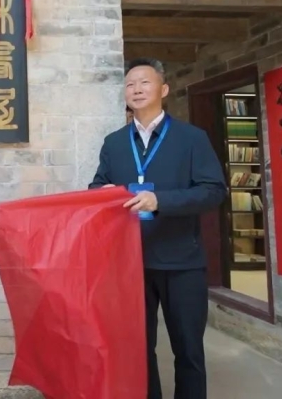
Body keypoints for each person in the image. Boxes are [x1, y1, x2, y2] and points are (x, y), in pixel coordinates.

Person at [89, 58, 226, 399]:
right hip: (131, 263)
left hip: (182, 261)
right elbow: (97, 186)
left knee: (188, 349)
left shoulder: (191, 138)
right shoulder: (114, 143)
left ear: (163, 90)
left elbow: (213, 191)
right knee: (139, 350)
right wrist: (103, 193)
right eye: (130, 84)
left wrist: (160, 200)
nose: (136, 89)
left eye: (144, 82)